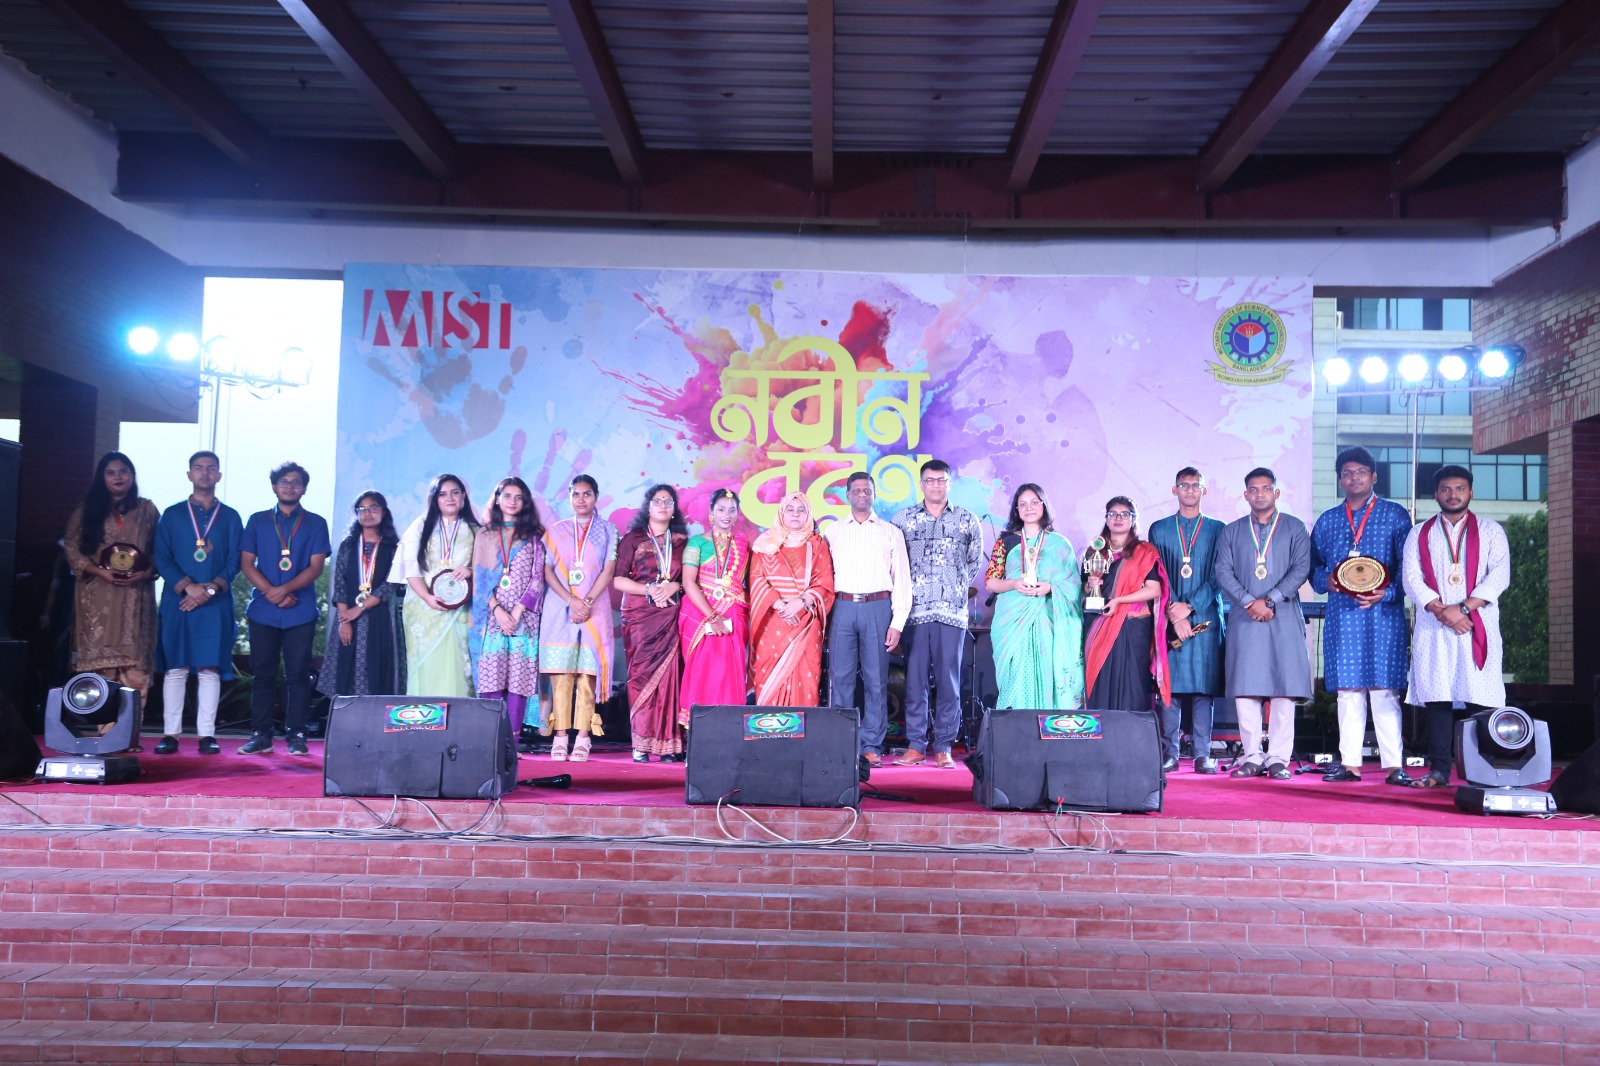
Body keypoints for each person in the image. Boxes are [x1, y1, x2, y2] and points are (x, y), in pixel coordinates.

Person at [1401, 466, 1512, 790]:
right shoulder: (1419, 533)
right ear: (1436, 494)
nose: (1453, 495)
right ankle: (1439, 771)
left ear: (1471, 493)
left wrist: (1462, 609)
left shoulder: (1491, 531)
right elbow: (1411, 579)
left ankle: (1484, 770)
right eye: (1446, 489)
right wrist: (1442, 611)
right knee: (1438, 699)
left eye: (1460, 488)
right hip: (1434, 626)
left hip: (1476, 623)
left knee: (1479, 698)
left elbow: (1499, 577)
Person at [1311, 446, 1414, 786]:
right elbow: (1314, 567)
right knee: (1349, 692)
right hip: (1343, 616)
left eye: (1360, 472)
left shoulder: (1395, 515)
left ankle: (1394, 766)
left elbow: (1408, 567)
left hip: (1384, 615)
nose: (1354, 478)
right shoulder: (1327, 520)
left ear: (1373, 476)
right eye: (1347, 473)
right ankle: (1350, 764)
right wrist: (1326, 581)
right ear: (1340, 480)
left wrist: (1388, 593)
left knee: (1385, 691)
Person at [1215, 468, 1313, 780]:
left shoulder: (1295, 527)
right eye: (1254, 489)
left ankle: (1279, 759)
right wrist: (1249, 601)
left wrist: (1269, 599)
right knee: (1246, 686)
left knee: (1284, 686)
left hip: (1282, 613)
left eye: (1266, 488)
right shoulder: (1231, 531)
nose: (1260, 494)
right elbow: (1223, 570)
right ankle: (1252, 756)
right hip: (1245, 616)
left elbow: (1301, 568)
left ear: (1276, 492)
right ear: (1246, 495)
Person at [63, 451, 160, 749]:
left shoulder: (147, 510)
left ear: (132, 476)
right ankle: (107, 737)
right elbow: (72, 549)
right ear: (101, 478)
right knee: (103, 674)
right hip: (99, 599)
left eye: (123, 471)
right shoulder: (87, 511)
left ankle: (127, 738)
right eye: (111, 472)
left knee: (136, 672)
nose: (118, 477)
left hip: (136, 598)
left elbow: (160, 551)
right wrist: (98, 572)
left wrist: (146, 573)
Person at [892, 459, 983, 768]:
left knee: (949, 682)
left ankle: (943, 745)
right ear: (921, 484)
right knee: (914, 681)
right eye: (929, 480)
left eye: (941, 480)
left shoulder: (967, 520)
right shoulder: (902, 519)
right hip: (914, 612)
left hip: (951, 612)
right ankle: (916, 744)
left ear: (949, 483)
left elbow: (972, 563)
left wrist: (951, 587)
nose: (935, 485)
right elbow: (895, 563)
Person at [238, 461, 331, 755]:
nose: (289, 487)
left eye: (296, 482)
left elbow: (316, 567)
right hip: (263, 611)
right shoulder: (257, 521)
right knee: (263, 676)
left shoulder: (316, 523)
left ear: (304, 489)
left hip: (300, 611)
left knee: (298, 676)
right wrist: (272, 592)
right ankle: (261, 736)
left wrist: (284, 590)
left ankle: (297, 736)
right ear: (274, 486)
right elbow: (246, 563)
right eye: (284, 482)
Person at [153, 450, 242, 755]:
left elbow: (235, 560)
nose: (205, 473)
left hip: (216, 603)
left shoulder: (230, 517)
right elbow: (161, 557)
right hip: (178, 601)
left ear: (219, 475)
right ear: (189, 474)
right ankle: (171, 734)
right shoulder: (172, 515)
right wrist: (188, 587)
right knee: (176, 667)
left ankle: (207, 735)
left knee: (209, 668)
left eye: (211, 468)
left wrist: (211, 589)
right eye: (199, 468)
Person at [823, 472, 911, 768]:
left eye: (867, 490)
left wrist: (897, 622)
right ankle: (841, 742)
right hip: (843, 607)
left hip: (878, 607)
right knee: (841, 678)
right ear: (847, 495)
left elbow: (902, 579)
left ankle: (872, 744)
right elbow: (824, 575)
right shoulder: (833, 531)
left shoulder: (890, 532)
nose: (862, 494)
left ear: (874, 495)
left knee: (876, 680)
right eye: (857, 490)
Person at [1148, 467, 1226, 773]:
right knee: (1171, 685)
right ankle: (1171, 752)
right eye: (1184, 485)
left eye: (1195, 485)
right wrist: (1174, 612)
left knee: (1203, 687)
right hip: (1169, 616)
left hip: (1205, 616)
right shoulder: (1159, 529)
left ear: (1204, 490)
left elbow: (1221, 574)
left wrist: (1190, 607)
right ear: (1174, 490)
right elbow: (1158, 574)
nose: (1190, 490)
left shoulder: (1219, 529)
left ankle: (1202, 754)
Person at [985, 483, 1083, 710]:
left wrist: (1050, 587)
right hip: (1012, 621)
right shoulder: (1005, 541)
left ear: (1044, 505)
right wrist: (1013, 584)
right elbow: (990, 582)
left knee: (1047, 671)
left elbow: (1073, 585)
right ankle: (1015, 727)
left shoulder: (1060, 543)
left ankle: (1045, 726)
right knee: (1015, 675)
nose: (1028, 508)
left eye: (1034, 502)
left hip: (1047, 619)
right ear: (1016, 510)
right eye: (1023, 504)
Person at [540, 474, 617, 762]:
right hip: (560, 607)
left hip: (594, 608)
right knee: (561, 674)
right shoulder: (556, 531)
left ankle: (583, 737)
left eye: (587, 494)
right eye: (576, 494)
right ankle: (560, 736)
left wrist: (586, 602)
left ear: (596, 496)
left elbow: (609, 570)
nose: (581, 499)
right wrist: (571, 600)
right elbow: (547, 571)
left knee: (587, 673)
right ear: (569, 498)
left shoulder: (608, 530)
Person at [614, 484, 689, 762]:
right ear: (647, 506)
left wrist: (674, 586)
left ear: (674, 509)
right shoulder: (632, 539)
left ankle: (669, 745)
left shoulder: (682, 541)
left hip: (670, 616)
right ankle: (641, 743)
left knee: (671, 679)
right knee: (641, 677)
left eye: (668, 501)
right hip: (639, 618)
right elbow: (618, 580)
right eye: (658, 501)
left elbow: (690, 579)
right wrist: (648, 589)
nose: (663, 505)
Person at [470, 477, 546, 740]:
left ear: (525, 502)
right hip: (491, 618)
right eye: (507, 496)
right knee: (491, 676)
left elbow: (538, 578)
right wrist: (498, 611)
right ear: (497, 499)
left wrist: (516, 612)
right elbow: (479, 577)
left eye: (518, 497)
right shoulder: (485, 535)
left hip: (524, 618)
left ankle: (511, 742)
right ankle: (488, 740)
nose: (512, 501)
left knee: (518, 679)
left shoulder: (534, 536)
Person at [1082, 496, 1171, 715]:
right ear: (1106, 518)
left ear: (1133, 519)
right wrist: (1090, 585)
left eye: (1124, 514)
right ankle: (1100, 731)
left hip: (1131, 625)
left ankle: (1131, 733)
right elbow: (1084, 588)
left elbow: (1154, 589)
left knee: (1132, 684)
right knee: (1099, 679)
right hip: (1099, 621)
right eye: (1112, 513)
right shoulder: (1095, 551)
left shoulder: (1144, 552)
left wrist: (1119, 601)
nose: (1118, 518)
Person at [748, 491, 835, 706]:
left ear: (809, 514)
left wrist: (801, 603)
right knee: (768, 679)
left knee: (806, 679)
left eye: (801, 510)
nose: (795, 514)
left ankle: (802, 728)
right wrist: (780, 605)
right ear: (781, 513)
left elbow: (825, 582)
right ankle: (768, 726)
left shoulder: (817, 545)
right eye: (790, 509)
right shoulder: (765, 543)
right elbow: (757, 579)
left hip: (806, 621)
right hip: (772, 622)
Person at [316, 491, 405, 699]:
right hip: (348, 617)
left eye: (373, 508)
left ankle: (376, 714)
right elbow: (340, 585)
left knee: (378, 669)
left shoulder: (393, 547)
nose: (367, 513)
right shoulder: (348, 545)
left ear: (384, 512)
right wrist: (345, 621)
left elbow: (390, 584)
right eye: (362, 509)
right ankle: (348, 714)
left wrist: (361, 608)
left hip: (381, 616)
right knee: (347, 669)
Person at [398, 473, 478, 698]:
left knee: (459, 663)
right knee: (428, 663)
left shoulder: (475, 529)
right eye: (442, 494)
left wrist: (471, 571)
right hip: (424, 607)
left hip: (461, 608)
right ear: (434, 499)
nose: (449, 498)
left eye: (455, 492)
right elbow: (410, 569)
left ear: (463, 496)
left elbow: (486, 566)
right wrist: (427, 597)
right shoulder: (420, 526)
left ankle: (459, 715)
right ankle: (424, 714)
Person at [678, 488, 751, 719]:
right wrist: (712, 616)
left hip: (733, 615)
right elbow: (688, 582)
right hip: (702, 615)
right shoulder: (697, 543)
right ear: (711, 512)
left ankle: (728, 724)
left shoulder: (742, 544)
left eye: (731, 510)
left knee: (730, 670)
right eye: (721, 509)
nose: (726, 515)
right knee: (704, 670)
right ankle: (699, 726)